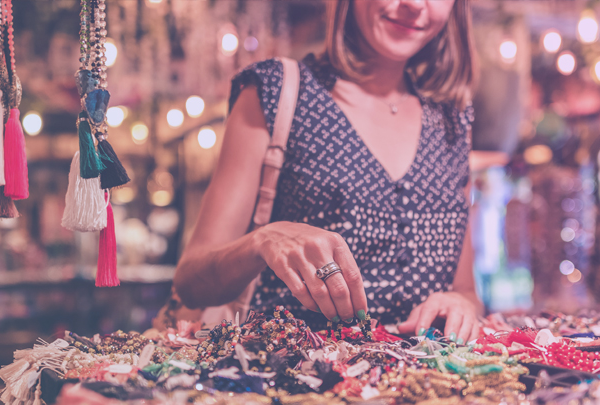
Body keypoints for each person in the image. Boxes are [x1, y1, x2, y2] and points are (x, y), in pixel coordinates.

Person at [174, 0, 482, 342]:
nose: (413, 4)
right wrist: (263, 240)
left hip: (426, 374)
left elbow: (467, 291)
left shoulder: (452, 118)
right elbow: (191, 282)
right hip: (290, 369)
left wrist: (460, 304)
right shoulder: (277, 90)